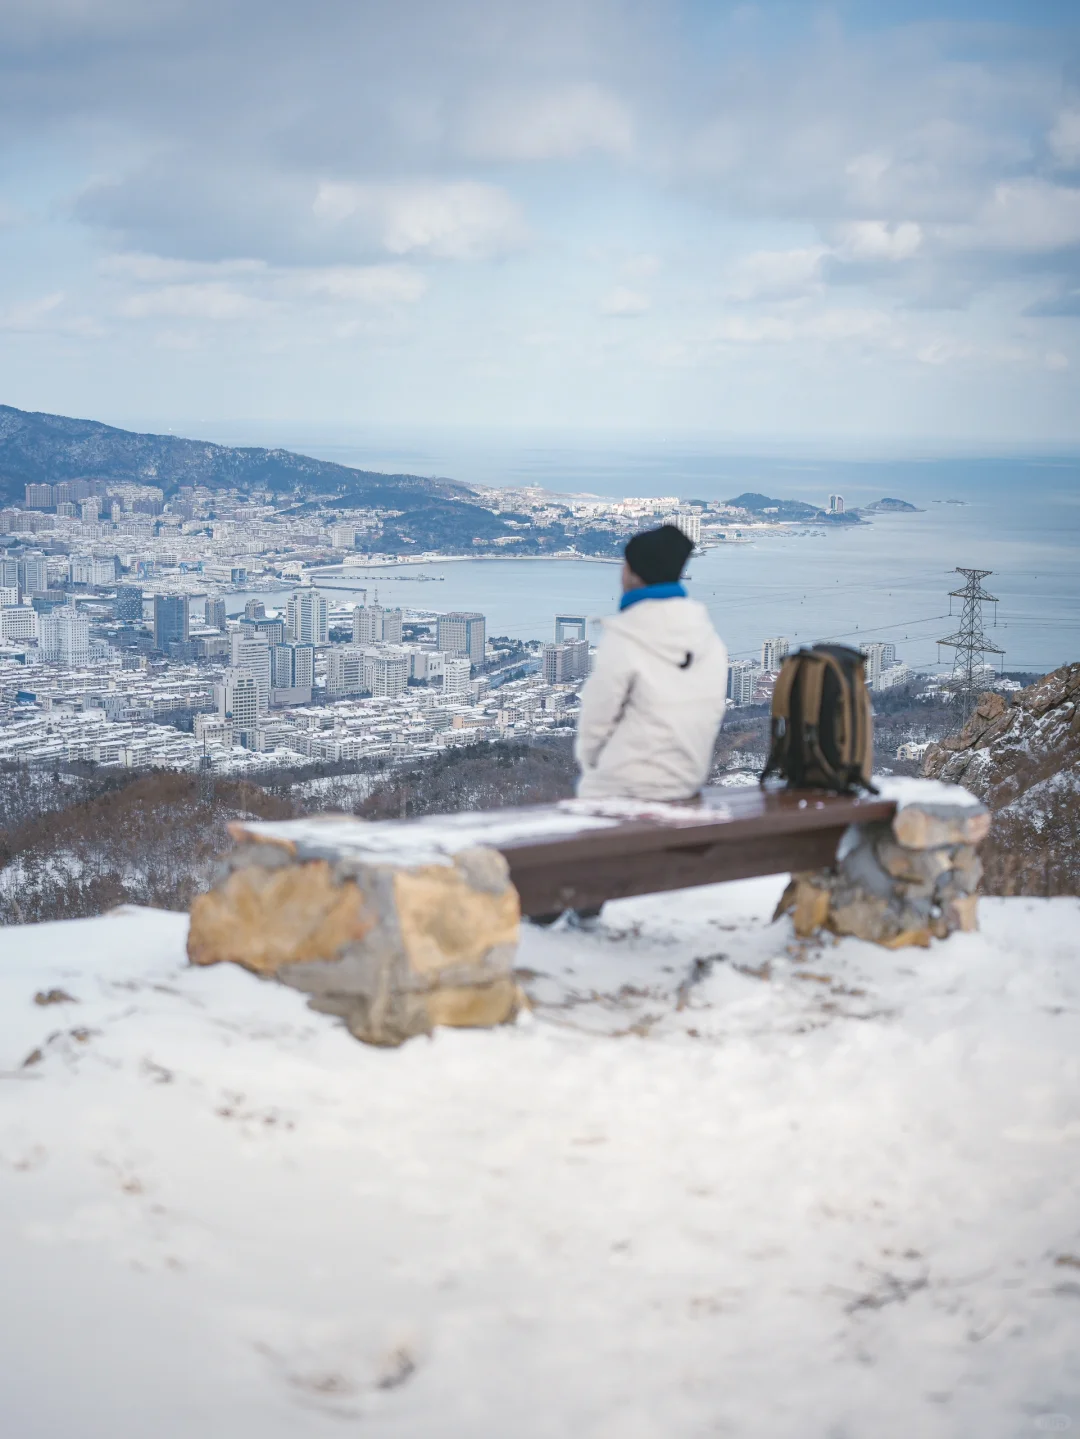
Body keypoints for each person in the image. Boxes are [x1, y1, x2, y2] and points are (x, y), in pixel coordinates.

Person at [575, 523, 729, 802]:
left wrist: (592, 765)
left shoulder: (626, 636)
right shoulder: (708, 638)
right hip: (688, 780)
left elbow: (596, 719)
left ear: (634, 573)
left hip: (623, 786)